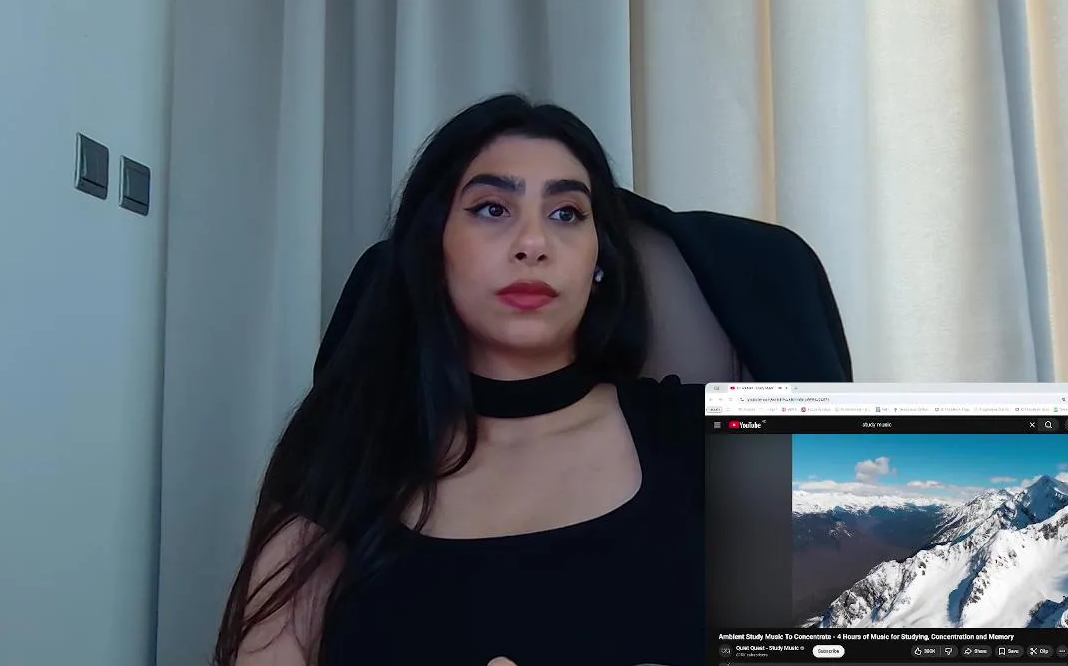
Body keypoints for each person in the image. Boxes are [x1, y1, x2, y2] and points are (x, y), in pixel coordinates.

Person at [213, 94, 705, 666]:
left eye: (567, 213)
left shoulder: (750, 428)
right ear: (434, 247)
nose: (533, 244)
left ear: (601, 261)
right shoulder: (344, 447)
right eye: (492, 209)